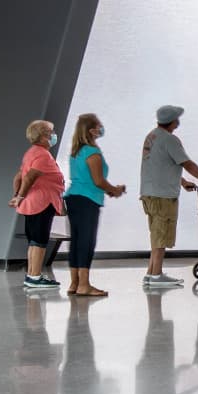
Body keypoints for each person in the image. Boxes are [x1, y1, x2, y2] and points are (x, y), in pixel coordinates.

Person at [139, 104, 198, 290]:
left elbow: (160, 165)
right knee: (161, 235)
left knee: (156, 234)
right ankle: (156, 275)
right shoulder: (170, 140)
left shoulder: (152, 136)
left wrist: (182, 182)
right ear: (172, 121)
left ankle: (151, 273)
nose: (178, 122)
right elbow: (187, 164)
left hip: (149, 193)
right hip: (163, 196)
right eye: (177, 119)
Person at [66, 113, 125, 297]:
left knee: (76, 240)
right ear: (91, 130)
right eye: (99, 126)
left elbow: (87, 179)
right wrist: (115, 190)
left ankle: (74, 283)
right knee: (87, 240)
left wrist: (110, 190)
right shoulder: (92, 152)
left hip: (73, 197)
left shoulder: (76, 152)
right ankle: (84, 285)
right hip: (88, 200)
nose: (101, 128)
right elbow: (98, 181)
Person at [9, 120, 67, 292]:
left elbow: (18, 177)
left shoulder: (31, 152)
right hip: (42, 203)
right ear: (43, 136)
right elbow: (28, 178)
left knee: (34, 241)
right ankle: (35, 277)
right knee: (40, 241)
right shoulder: (42, 155)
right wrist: (19, 196)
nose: (53, 135)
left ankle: (32, 275)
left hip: (33, 203)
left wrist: (17, 196)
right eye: (51, 132)